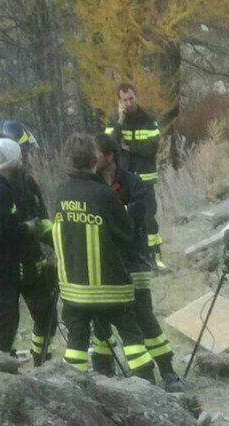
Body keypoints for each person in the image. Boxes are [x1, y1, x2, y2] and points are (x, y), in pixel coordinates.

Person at [51, 133, 156, 382]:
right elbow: (126, 232)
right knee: (132, 337)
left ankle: (73, 392)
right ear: (92, 160)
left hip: (74, 292)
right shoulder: (103, 194)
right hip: (111, 289)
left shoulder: (60, 194)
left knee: (76, 342)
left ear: (68, 160)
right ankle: (147, 385)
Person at [90, 134, 183, 391]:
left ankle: (167, 371)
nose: (91, 158)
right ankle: (104, 372)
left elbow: (145, 210)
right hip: (105, 262)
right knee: (101, 318)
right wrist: (122, 215)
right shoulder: (90, 184)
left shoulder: (132, 182)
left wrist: (116, 216)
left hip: (134, 259)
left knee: (143, 315)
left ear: (109, 156)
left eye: (96, 153)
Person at [0, 121, 57, 365]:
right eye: (23, 152)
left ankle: (42, 360)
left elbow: (41, 221)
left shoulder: (27, 183)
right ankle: (2, 366)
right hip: (5, 268)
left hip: (31, 262)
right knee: (4, 321)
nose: (25, 159)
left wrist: (60, 244)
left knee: (45, 314)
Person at [105, 83, 166, 271]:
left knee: (148, 217)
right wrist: (120, 122)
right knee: (123, 217)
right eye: (125, 100)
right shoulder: (115, 120)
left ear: (136, 97)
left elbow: (152, 147)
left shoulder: (148, 119)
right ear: (119, 101)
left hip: (145, 178)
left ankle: (155, 257)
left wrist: (130, 147)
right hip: (123, 179)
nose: (129, 103)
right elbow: (109, 146)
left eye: (131, 98)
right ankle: (130, 258)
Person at [0, 139, 26, 355]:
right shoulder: (0, 188)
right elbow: (0, 232)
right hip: (0, 273)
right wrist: (26, 229)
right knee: (4, 324)